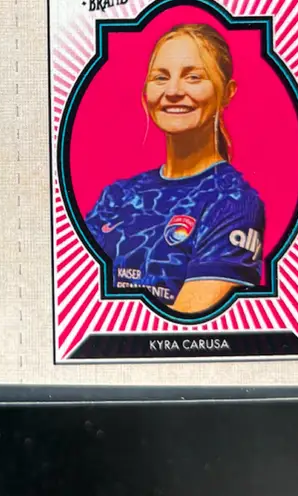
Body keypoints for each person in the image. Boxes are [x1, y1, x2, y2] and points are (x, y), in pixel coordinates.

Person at [85, 23, 265, 315]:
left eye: (193, 77)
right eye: (160, 77)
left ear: (227, 92)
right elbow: (72, 297)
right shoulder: (117, 196)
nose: (173, 91)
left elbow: (185, 325)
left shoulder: (233, 203)